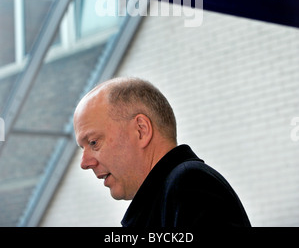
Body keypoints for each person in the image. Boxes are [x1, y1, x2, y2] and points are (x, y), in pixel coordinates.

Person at [73, 76, 251, 228]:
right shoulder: (174, 193)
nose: (84, 163)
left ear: (141, 130)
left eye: (93, 142)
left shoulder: (190, 184)